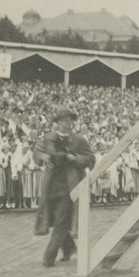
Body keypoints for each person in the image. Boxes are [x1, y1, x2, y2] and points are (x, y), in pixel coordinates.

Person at [33, 107, 95, 268]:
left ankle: (49, 256)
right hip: (51, 186)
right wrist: (43, 156)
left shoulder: (79, 140)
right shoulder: (49, 138)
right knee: (55, 220)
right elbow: (37, 154)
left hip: (70, 186)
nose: (67, 124)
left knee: (61, 220)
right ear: (58, 123)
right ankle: (68, 248)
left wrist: (74, 158)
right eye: (64, 121)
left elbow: (91, 159)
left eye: (70, 121)